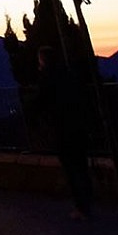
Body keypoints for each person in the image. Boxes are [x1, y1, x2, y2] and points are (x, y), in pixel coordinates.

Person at [35, 42, 94, 217]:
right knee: (82, 167)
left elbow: (41, 102)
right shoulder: (68, 75)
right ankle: (87, 203)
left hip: (62, 129)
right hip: (78, 127)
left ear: (42, 60)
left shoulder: (47, 78)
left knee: (71, 168)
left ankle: (81, 207)